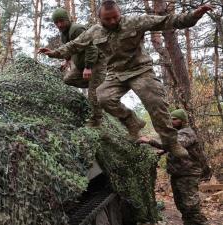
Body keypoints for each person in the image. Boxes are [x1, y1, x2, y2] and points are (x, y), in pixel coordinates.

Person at [38, 0, 213, 158]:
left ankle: (171, 142)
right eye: (108, 19)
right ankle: (132, 121)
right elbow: (75, 45)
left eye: (116, 17)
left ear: (119, 14)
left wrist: (193, 16)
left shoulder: (134, 22)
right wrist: (54, 53)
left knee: (155, 102)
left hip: (140, 70)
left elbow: (166, 21)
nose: (113, 22)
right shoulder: (94, 32)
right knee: (102, 97)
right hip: (116, 72)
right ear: (100, 19)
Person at [138, 109, 208, 225]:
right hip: (178, 173)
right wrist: (162, 151)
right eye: (171, 118)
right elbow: (174, 147)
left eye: (175, 119)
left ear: (183, 120)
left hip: (188, 173)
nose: (172, 121)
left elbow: (175, 145)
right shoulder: (177, 132)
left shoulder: (187, 132)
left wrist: (149, 140)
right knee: (181, 203)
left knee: (190, 205)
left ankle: (199, 222)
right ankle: (189, 222)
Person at [50, 8, 106, 127]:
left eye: (61, 21)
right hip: (81, 66)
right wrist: (66, 60)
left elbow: (91, 47)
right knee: (68, 79)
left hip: (95, 64)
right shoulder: (64, 33)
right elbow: (70, 48)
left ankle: (96, 121)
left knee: (93, 94)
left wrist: (88, 67)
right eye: (56, 23)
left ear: (67, 19)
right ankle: (98, 84)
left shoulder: (77, 29)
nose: (59, 25)